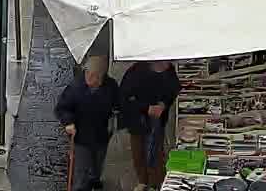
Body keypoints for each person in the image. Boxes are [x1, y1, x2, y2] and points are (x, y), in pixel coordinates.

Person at [57, 56, 121, 191]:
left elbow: (118, 104)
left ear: (102, 77)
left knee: (98, 165)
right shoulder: (75, 88)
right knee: (81, 173)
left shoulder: (111, 86)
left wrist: (116, 114)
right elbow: (62, 108)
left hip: (101, 135)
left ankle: (94, 179)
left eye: (95, 76)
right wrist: (68, 122)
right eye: (88, 74)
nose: (91, 78)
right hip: (81, 137)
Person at [120, 60, 181, 191]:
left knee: (156, 153)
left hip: (158, 121)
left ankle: (156, 183)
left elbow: (174, 89)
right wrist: (146, 108)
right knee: (139, 152)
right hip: (137, 120)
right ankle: (143, 181)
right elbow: (124, 98)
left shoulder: (169, 71)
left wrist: (164, 104)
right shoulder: (135, 72)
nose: (167, 64)